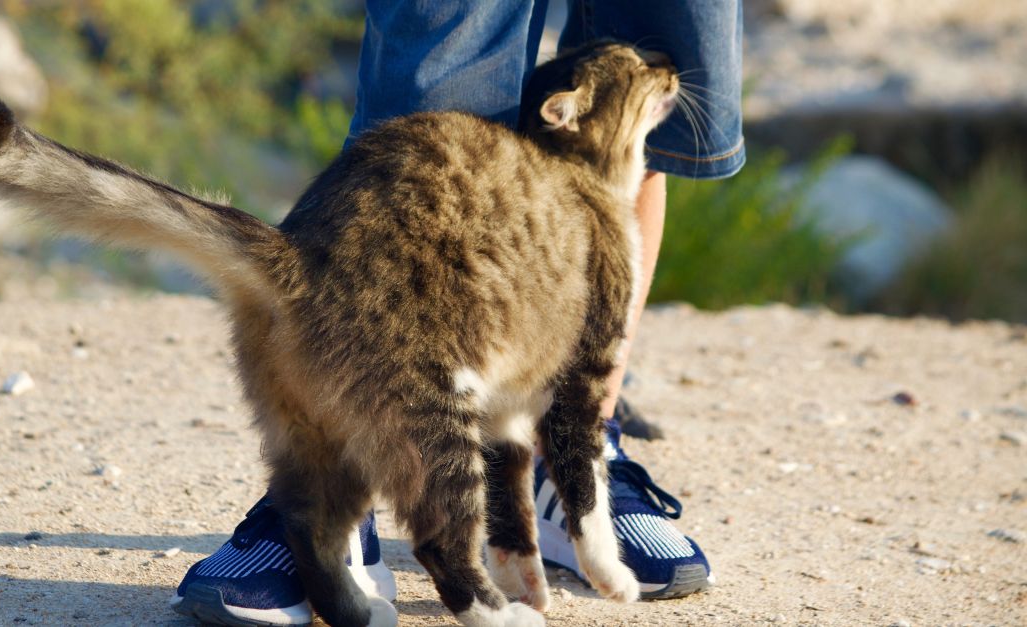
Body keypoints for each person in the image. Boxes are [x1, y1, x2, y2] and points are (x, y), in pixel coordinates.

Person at [171, 1, 744, 624]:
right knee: (442, 46)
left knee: (659, 36)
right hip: (381, 310)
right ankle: (346, 474)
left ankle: (576, 457)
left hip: (545, 261)